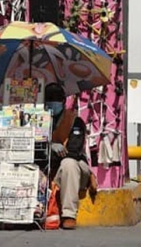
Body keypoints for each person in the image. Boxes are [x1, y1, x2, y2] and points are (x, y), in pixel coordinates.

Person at [44, 83, 97, 230]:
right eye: (49, 100)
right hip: (51, 170)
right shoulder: (39, 120)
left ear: (63, 101)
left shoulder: (75, 121)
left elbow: (73, 151)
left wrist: (52, 151)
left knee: (69, 163)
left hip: (76, 170)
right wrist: (50, 146)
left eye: (55, 100)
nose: (52, 103)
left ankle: (69, 215)